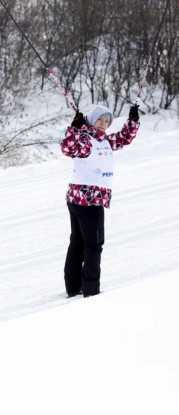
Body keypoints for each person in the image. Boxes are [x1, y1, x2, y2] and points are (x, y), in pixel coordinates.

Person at [60, 104, 140, 298]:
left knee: (78, 242)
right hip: (88, 200)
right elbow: (67, 148)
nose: (103, 124)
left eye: (106, 121)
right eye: (99, 120)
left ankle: (73, 287)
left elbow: (123, 138)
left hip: (79, 198)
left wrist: (133, 121)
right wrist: (76, 129)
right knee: (94, 245)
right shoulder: (87, 140)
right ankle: (90, 291)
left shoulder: (103, 140)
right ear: (91, 120)